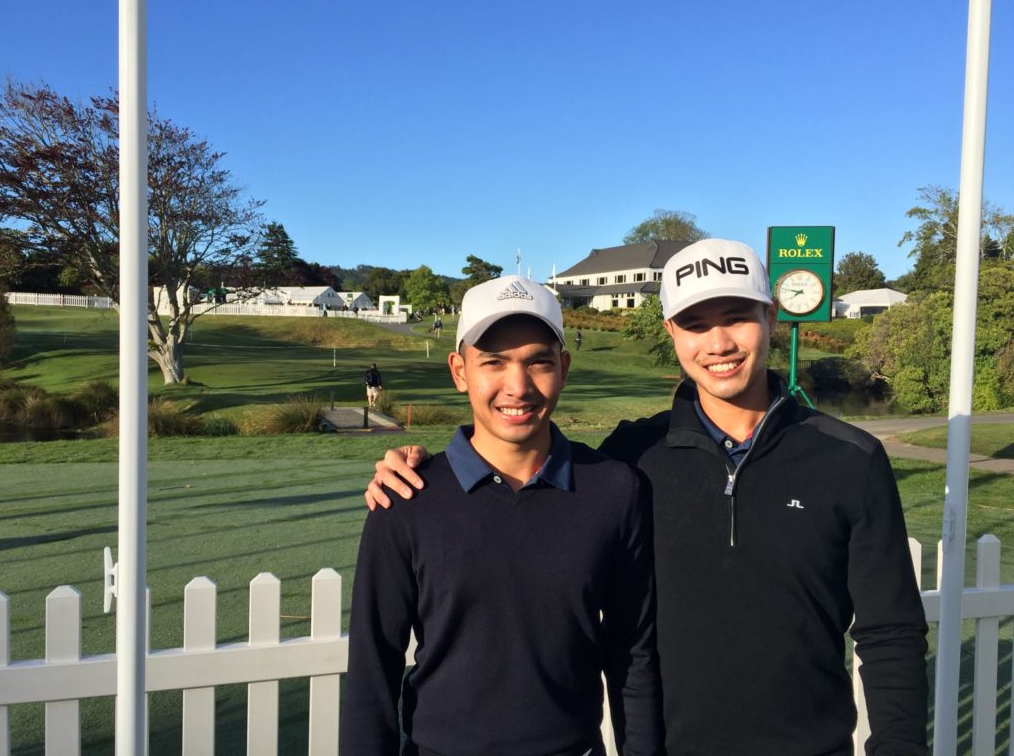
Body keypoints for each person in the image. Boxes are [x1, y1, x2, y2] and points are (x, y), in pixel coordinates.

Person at [365, 239, 929, 755]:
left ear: (771, 317)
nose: (719, 343)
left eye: (737, 317)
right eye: (695, 324)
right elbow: (529, 481)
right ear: (671, 332)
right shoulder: (632, 459)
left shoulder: (849, 459)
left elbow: (891, 632)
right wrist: (421, 469)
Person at [341, 275, 664, 755]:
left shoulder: (614, 489)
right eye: (494, 362)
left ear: (564, 368)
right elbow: (373, 668)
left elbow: (632, 651)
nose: (518, 386)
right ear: (459, 371)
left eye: (538, 362)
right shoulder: (407, 496)